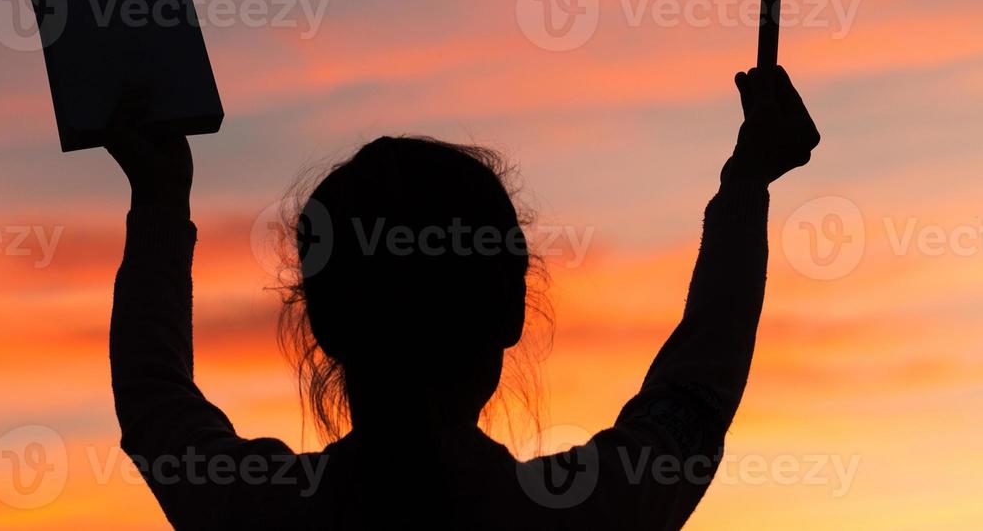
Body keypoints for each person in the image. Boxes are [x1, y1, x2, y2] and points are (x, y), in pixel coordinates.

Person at [106, 66, 819, 529]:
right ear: (511, 312)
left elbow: (153, 395)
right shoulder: (585, 512)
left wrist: (161, 197)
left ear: (322, 323)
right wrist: (747, 182)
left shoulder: (253, 512)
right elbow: (697, 391)